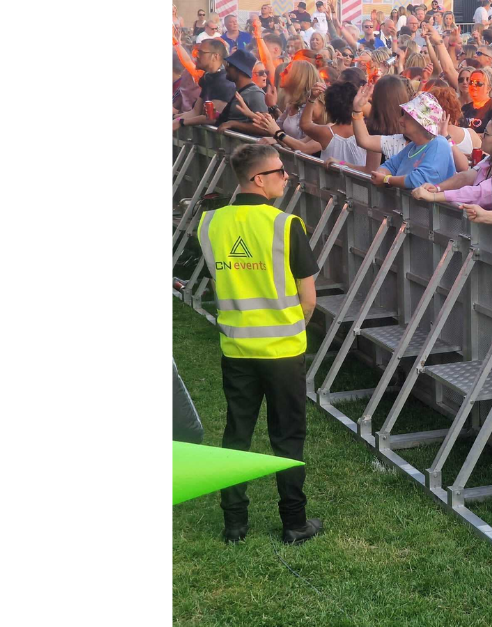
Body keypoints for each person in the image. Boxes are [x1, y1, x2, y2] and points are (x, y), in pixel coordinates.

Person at [196, 144, 323, 546]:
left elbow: (221, 284)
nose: (286, 177)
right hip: (283, 352)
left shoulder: (210, 224)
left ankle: (234, 523)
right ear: (259, 179)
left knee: (237, 433)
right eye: (281, 171)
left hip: (236, 349)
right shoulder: (287, 226)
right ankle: (294, 522)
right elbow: (309, 301)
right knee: (287, 437)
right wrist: (289, 328)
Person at [413, 115, 492, 209]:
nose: (481, 136)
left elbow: (476, 192)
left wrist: (434, 196)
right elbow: (465, 177)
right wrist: (437, 188)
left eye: (486, 133)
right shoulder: (489, 160)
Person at [371, 91, 458, 189]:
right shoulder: (413, 146)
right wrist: (381, 174)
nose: (400, 120)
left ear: (421, 123)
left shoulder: (439, 144)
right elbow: (390, 166)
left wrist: (386, 179)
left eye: (407, 117)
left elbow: (419, 181)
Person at [173, 39, 236, 130]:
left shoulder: (225, 81)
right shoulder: (207, 77)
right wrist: (176, 119)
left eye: (201, 52)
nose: (197, 55)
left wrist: (181, 122)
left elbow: (212, 118)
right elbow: (195, 111)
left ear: (215, 56)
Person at [215, 50, 270, 135]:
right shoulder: (239, 90)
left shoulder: (255, 94)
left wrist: (234, 124)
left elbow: (265, 128)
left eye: (230, 65)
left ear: (239, 70)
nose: (226, 68)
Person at [461, 67, 492, 132]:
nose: (473, 86)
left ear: (488, 88)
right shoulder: (465, 109)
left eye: (478, 83)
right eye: (471, 82)